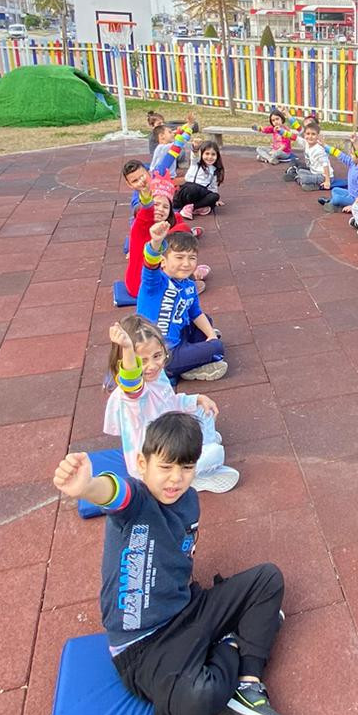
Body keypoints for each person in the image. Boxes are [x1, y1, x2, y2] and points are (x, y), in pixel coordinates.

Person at [53, 414, 286, 715]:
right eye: (165, 467)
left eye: (186, 468)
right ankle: (232, 642)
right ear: (142, 464)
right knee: (200, 698)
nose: (176, 479)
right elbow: (114, 493)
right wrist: (88, 487)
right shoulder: (136, 502)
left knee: (269, 579)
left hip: (188, 610)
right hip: (144, 647)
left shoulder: (188, 500)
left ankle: (248, 682)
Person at [105, 315, 238, 492]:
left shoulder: (157, 375)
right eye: (142, 361)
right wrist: (128, 348)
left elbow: (169, 402)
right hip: (153, 464)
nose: (152, 365)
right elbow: (131, 381)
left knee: (203, 410)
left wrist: (197, 398)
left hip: (170, 436)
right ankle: (190, 477)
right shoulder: (133, 395)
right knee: (215, 453)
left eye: (157, 355)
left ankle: (198, 454)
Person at [138, 220, 228, 381]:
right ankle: (187, 367)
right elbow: (149, 266)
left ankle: (192, 358)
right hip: (160, 355)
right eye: (179, 257)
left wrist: (210, 335)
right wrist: (156, 242)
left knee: (206, 321)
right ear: (163, 261)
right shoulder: (155, 283)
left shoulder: (189, 286)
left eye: (192, 258)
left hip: (179, 339)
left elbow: (196, 313)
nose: (186, 264)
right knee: (217, 348)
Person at [118, 172, 206, 300]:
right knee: (178, 255)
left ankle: (191, 275)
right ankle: (188, 282)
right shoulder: (140, 226)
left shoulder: (166, 225)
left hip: (149, 280)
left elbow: (178, 221)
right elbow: (146, 213)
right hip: (141, 285)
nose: (160, 209)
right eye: (156, 204)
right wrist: (146, 195)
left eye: (165, 207)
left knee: (180, 248)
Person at [320, 134, 358, 212]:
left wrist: (353, 206)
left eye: (352, 153)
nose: (350, 155)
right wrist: (325, 146)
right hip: (351, 194)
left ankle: (334, 203)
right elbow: (340, 154)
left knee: (337, 199)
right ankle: (334, 202)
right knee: (335, 190)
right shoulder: (353, 163)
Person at [173, 138, 225, 215]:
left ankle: (192, 207)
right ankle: (197, 208)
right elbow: (194, 156)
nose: (210, 157)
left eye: (213, 154)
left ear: (217, 156)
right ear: (201, 154)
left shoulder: (214, 170)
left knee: (215, 196)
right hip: (188, 191)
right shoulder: (196, 163)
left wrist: (215, 200)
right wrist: (196, 148)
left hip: (199, 194)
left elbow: (213, 187)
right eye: (207, 154)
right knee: (194, 188)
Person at [283, 119, 333, 190]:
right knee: (300, 171)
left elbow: (326, 165)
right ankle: (305, 184)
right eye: (308, 134)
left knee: (304, 178)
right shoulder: (306, 143)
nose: (310, 136)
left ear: (318, 136)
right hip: (314, 172)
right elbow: (295, 137)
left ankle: (300, 179)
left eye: (313, 134)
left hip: (324, 176)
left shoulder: (319, 149)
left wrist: (327, 181)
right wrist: (281, 131)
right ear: (304, 135)